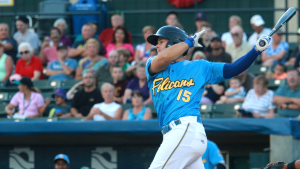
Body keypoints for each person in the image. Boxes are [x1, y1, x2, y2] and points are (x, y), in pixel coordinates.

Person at [145, 25, 271, 168]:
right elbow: (165, 57)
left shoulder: (200, 66)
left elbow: (234, 68)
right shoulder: (152, 64)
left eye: (160, 41)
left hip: (185, 129)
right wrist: (189, 42)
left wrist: (256, 50)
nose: (156, 45)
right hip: (176, 135)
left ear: (174, 42)